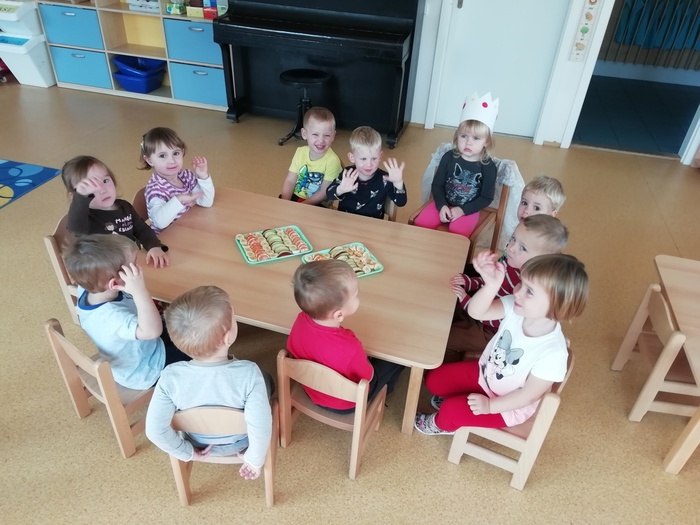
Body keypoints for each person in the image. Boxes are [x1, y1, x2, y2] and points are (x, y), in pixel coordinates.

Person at [415, 252, 588, 435]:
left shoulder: (554, 353)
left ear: (558, 305)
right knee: (434, 380)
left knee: (450, 411)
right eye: (521, 283)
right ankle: (459, 405)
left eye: (529, 291)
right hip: (486, 375)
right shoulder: (516, 306)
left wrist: (490, 406)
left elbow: (527, 396)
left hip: (507, 407)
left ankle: (441, 424)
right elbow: (476, 312)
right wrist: (491, 286)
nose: (517, 292)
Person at [145, 286, 273, 480]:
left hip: (197, 442)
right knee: (266, 381)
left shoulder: (169, 376)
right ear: (228, 338)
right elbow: (260, 425)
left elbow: (154, 430)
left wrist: (186, 452)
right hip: (241, 444)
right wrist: (254, 460)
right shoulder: (249, 373)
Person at [62, 234, 190, 390]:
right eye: (134, 265)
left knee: (186, 327)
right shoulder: (113, 317)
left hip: (143, 349)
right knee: (201, 352)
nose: (138, 267)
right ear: (115, 283)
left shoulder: (88, 290)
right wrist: (139, 291)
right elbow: (152, 331)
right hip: (147, 370)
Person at [287, 259, 404, 412]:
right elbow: (367, 378)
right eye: (356, 295)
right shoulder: (350, 347)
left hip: (311, 391)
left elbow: (293, 348)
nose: (358, 296)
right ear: (339, 315)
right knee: (397, 358)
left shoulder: (300, 320)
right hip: (347, 403)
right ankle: (387, 391)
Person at [448, 215, 569, 357]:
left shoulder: (523, 288)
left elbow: (492, 316)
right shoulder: (510, 262)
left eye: (522, 248)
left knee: (447, 336)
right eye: (513, 238)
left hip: (492, 329)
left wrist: (465, 300)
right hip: (481, 306)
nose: (511, 248)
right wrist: (470, 282)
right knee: (445, 306)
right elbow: (487, 283)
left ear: (541, 260)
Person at [413, 92, 499, 237]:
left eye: (476, 138)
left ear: (487, 142)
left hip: (468, 209)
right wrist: (442, 205)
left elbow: (486, 198)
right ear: (457, 136)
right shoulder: (449, 157)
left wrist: (462, 210)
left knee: (458, 233)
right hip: (443, 203)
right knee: (421, 223)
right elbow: (437, 185)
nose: (468, 142)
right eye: (464, 136)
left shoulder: (488, 167)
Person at [61, 155, 169, 269]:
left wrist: (154, 246)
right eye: (90, 189)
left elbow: (141, 229)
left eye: (105, 181)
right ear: (75, 197)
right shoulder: (85, 219)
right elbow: (75, 228)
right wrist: (80, 197)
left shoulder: (124, 207)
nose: (103, 190)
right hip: (106, 272)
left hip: (133, 262)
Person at [141, 127, 215, 234]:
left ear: (182, 152)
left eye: (176, 153)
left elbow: (206, 202)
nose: (172, 161)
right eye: (162, 156)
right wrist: (179, 200)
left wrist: (203, 176)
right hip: (166, 238)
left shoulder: (186, 176)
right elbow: (159, 223)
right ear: (149, 160)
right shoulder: (156, 188)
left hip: (187, 230)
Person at [325, 126, 407, 219]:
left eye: (374, 158)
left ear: (380, 156)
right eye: (363, 159)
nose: (369, 164)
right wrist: (340, 189)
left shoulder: (385, 179)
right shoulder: (347, 174)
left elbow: (400, 202)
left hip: (372, 225)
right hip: (345, 222)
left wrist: (398, 183)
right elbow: (329, 194)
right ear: (352, 157)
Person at [279, 107, 343, 205]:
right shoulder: (300, 152)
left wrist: (301, 207)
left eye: (326, 135)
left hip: (318, 202)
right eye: (315, 134)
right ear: (304, 134)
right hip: (297, 197)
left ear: (333, 136)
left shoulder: (332, 161)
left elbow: (324, 193)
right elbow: (290, 180)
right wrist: (285, 202)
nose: (321, 140)